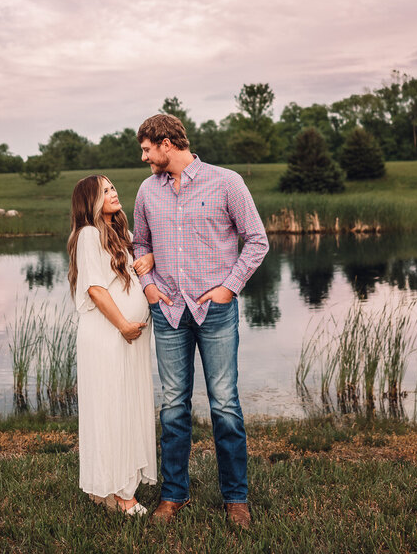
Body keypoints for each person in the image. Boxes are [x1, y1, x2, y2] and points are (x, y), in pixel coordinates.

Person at [132, 113, 269, 528]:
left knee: (225, 405)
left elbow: (257, 240)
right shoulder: (146, 192)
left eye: (146, 149)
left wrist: (230, 287)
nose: (144, 158)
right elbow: (140, 243)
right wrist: (149, 288)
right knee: (173, 407)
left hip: (216, 310)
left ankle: (236, 499)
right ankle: (174, 496)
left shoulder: (226, 182)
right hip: (169, 312)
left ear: (167, 144)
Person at [68, 174, 158, 516]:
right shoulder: (89, 234)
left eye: (113, 187)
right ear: (89, 201)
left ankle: (112, 486)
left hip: (127, 338)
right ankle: (121, 495)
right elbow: (95, 288)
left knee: (127, 407)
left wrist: (147, 260)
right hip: (109, 336)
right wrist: (123, 325)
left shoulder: (121, 233)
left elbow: (136, 270)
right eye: (104, 190)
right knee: (113, 409)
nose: (113, 192)